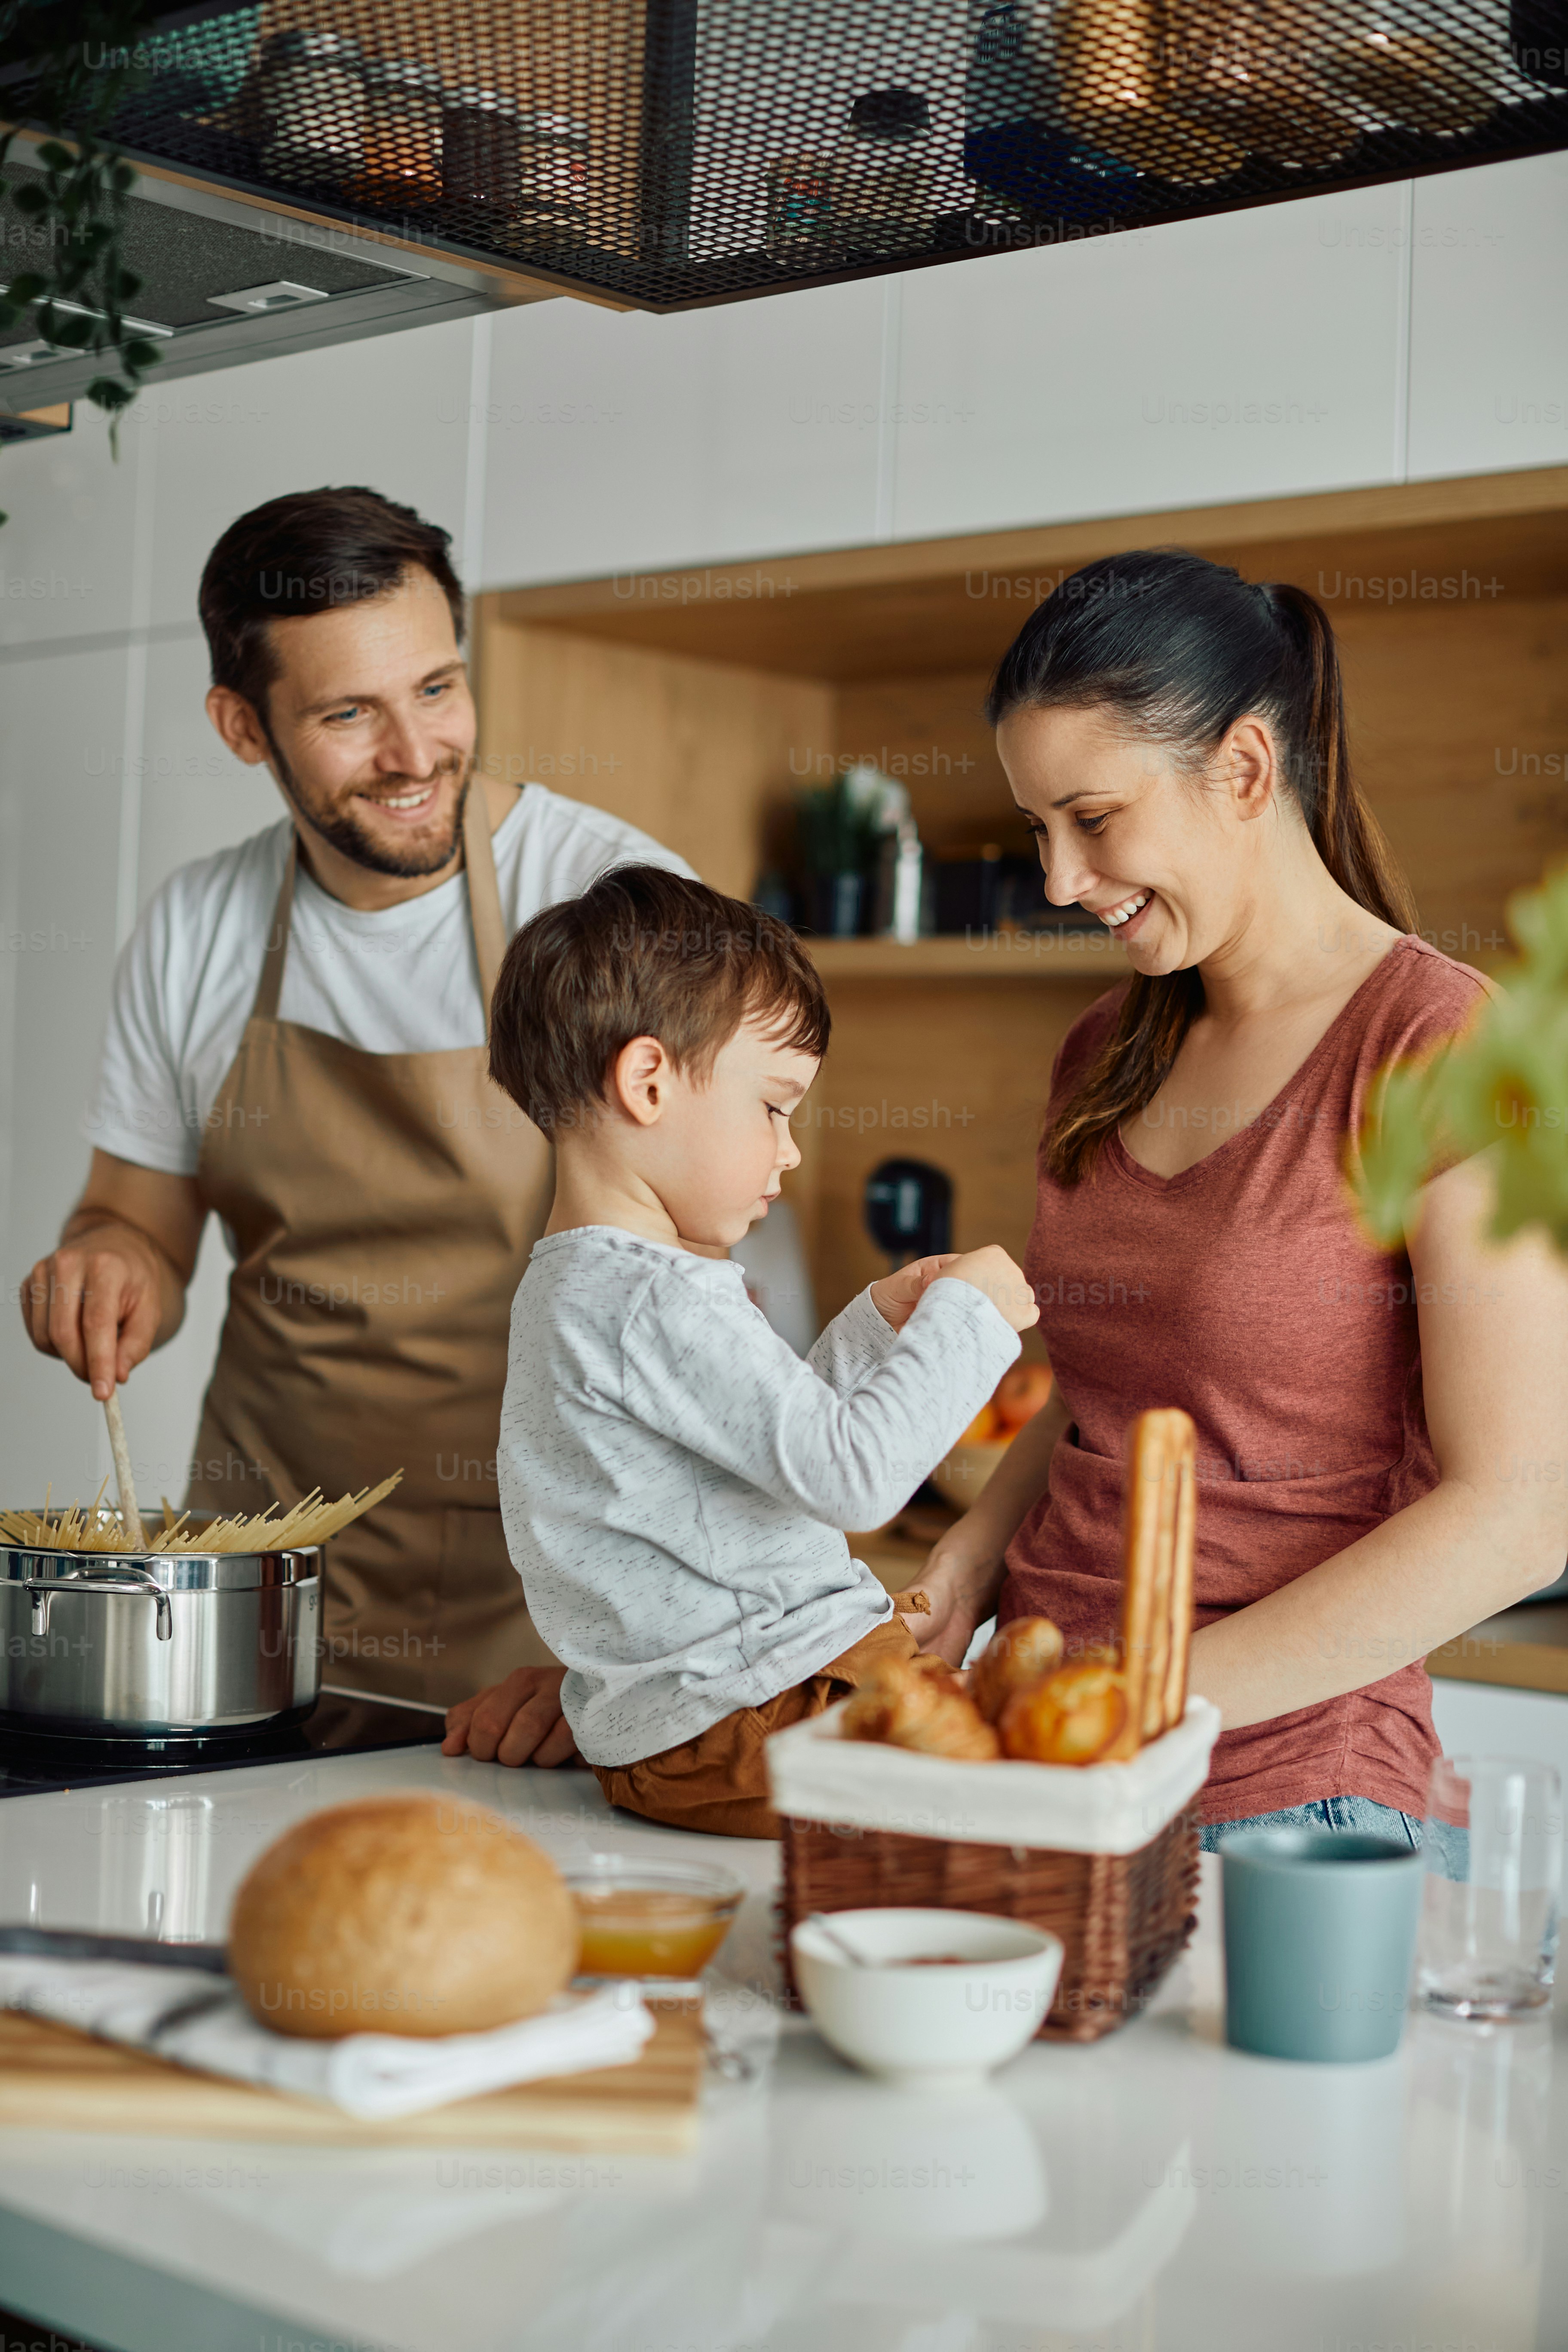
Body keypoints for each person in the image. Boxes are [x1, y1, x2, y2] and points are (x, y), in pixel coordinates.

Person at [909, 549, 1568, 1850]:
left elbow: (1519, 1513)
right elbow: (1120, 1388)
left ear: (1247, 770)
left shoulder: (1446, 1052)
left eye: (1093, 821)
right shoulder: (1105, 1047)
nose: (1056, 881)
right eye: (1038, 830)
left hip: (1281, 1788)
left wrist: (1149, 1700)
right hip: (1042, 1740)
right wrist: (978, 1550)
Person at [19, 487, 691, 1709]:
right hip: (257, 1587)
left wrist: (639, 1622)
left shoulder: (606, 902)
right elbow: (136, 1220)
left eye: (437, 688)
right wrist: (109, 1265)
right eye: (348, 714)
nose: (414, 754)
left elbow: (706, 1258)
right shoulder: (196, 927)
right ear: (241, 727)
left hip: (554, 1597)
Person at [439, 865, 1037, 1831]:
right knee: (1075, 1733)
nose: (790, 1150)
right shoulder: (652, 1293)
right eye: (774, 1107)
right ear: (647, 1083)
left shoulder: (585, 1282)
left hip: (696, 1732)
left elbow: (758, 1466)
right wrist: (972, 1319)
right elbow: (851, 1480)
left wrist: (874, 1331)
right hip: (770, 1711)